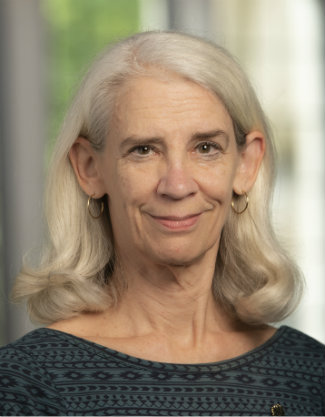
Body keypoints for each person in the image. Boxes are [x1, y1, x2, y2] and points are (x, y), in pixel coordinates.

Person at [0, 31, 324, 416]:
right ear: (90, 168)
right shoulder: (26, 384)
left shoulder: (311, 374)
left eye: (205, 148)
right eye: (143, 150)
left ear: (247, 164)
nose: (177, 185)